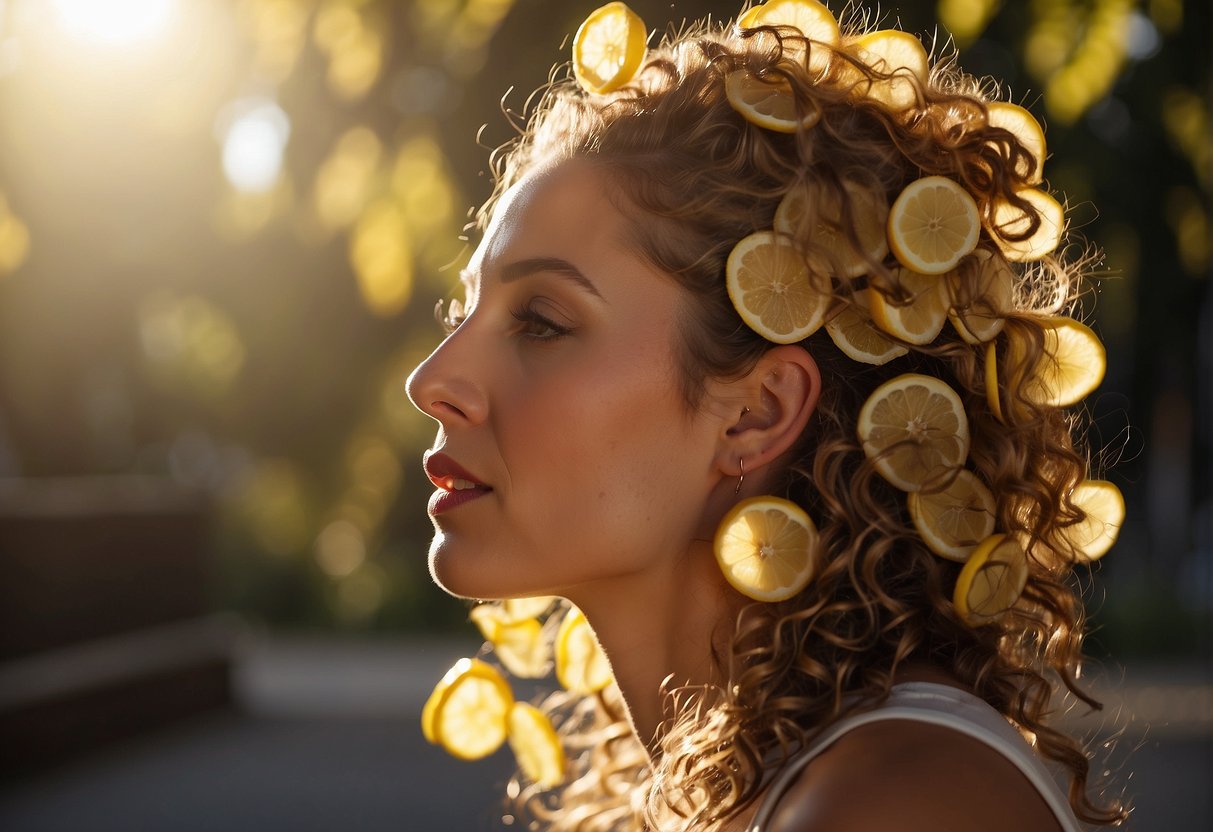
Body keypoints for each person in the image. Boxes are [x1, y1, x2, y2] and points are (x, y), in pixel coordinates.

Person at [407, 1, 1129, 829]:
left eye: (540, 321)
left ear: (756, 413)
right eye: (461, 314)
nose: (433, 379)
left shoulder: (892, 805)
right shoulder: (767, 785)